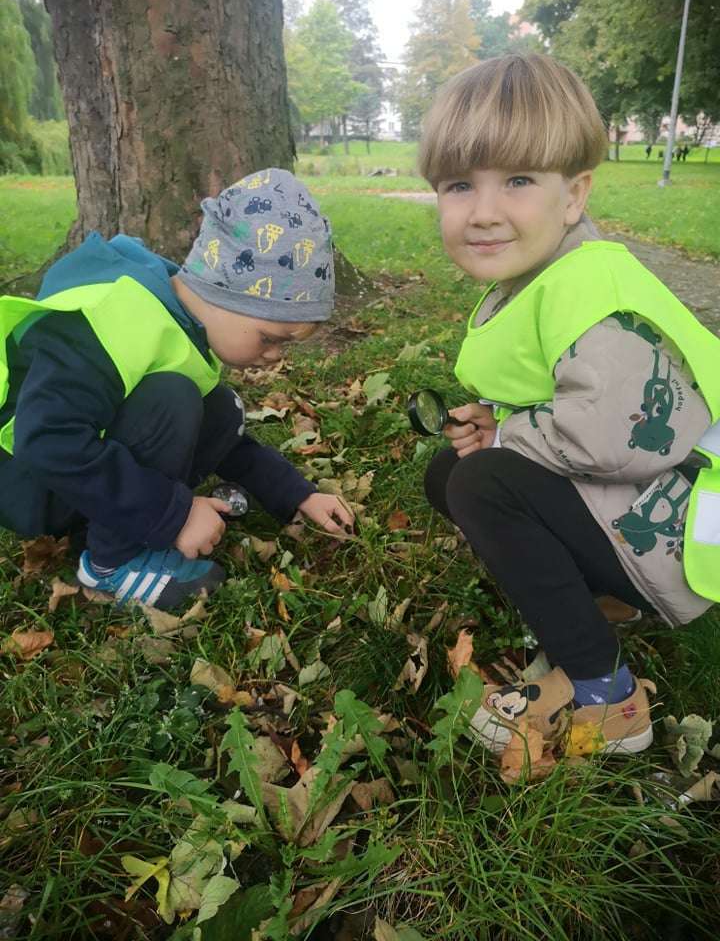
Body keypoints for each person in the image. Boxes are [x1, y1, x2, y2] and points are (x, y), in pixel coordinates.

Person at [418, 54, 720, 757]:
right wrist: (502, 425)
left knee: (483, 483)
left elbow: (614, 436)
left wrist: (506, 437)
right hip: (655, 501)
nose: (484, 212)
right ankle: (602, 603)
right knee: (452, 474)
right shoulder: (547, 273)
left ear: (575, 194)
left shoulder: (592, 293)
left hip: (685, 528)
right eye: (459, 185)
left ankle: (605, 695)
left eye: (519, 180)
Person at [0, 168, 354, 609]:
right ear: (225, 293)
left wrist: (297, 493)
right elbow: (47, 441)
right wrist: (174, 514)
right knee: (174, 399)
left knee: (220, 408)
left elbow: (226, 443)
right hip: (32, 481)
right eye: (270, 337)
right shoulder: (115, 320)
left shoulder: (179, 323)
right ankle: (111, 565)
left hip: (73, 472)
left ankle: (110, 523)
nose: (275, 356)